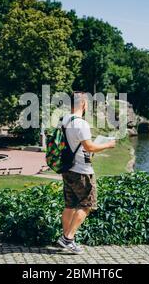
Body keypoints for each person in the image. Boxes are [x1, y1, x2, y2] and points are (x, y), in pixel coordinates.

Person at [57, 92, 116, 254]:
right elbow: (89, 147)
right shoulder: (81, 124)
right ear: (83, 104)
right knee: (87, 204)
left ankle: (66, 238)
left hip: (67, 169)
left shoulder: (63, 120)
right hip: (82, 171)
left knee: (70, 204)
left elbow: (72, 144)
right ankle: (68, 238)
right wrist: (108, 145)